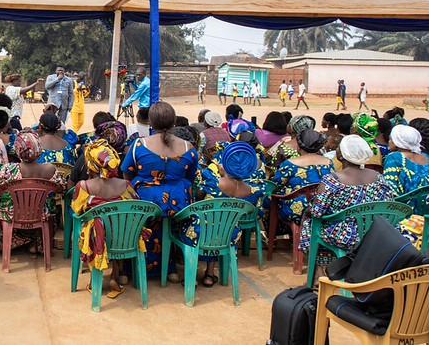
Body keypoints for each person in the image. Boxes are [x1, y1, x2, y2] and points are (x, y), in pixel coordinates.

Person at [121, 102, 198, 279]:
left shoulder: (138, 145)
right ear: (174, 122)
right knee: (168, 226)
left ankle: (128, 270)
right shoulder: (189, 147)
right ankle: (170, 269)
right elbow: (191, 177)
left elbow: (127, 173)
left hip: (144, 202)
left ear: (151, 123)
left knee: (136, 218)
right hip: (179, 203)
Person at [298, 134, 394, 267]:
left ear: (342, 156)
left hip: (345, 236)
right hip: (374, 231)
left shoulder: (332, 180)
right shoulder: (378, 177)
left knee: (310, 222)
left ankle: (319, 272)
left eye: (339, 148)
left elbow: (317, 212)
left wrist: (307, 211)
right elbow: (389, 202)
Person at [189, 141, 266, 287]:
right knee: (219, 228)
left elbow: (196, 198)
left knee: (198, 226)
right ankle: (210, 274)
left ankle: (191, 275)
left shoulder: (212, 184)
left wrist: (222, 175)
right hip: (229, 235)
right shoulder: (252, 191)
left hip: (201, 234)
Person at [71, 139, 140, 297]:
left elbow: (77, 209)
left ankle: (94, 277)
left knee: (95, 228)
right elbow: (134, 206)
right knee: (115, 225)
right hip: (123, 239)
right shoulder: (126, 185)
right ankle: (116, 276)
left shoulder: (84, 186)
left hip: (98, 241)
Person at [0, 131, 66, 246]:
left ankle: (6, 243)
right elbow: (62, 188)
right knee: (51, 205)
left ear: (18, 150)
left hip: (13, 214)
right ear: (39, 150)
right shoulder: (50, 169)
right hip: (40, 214)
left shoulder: (9, 170)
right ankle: (36, 244)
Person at [270, 129, 334, 224]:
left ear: (299, 145)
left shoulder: (290, 164)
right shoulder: (328, 162)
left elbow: (275, 186)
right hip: (323, 209)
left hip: (297, 212)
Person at [383, 124, 429, 196]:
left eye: (391, 139)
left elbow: (390, 188)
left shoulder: (394, 158)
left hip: (407, 205)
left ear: (397, 142)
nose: (389, 141)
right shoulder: (426, 156)